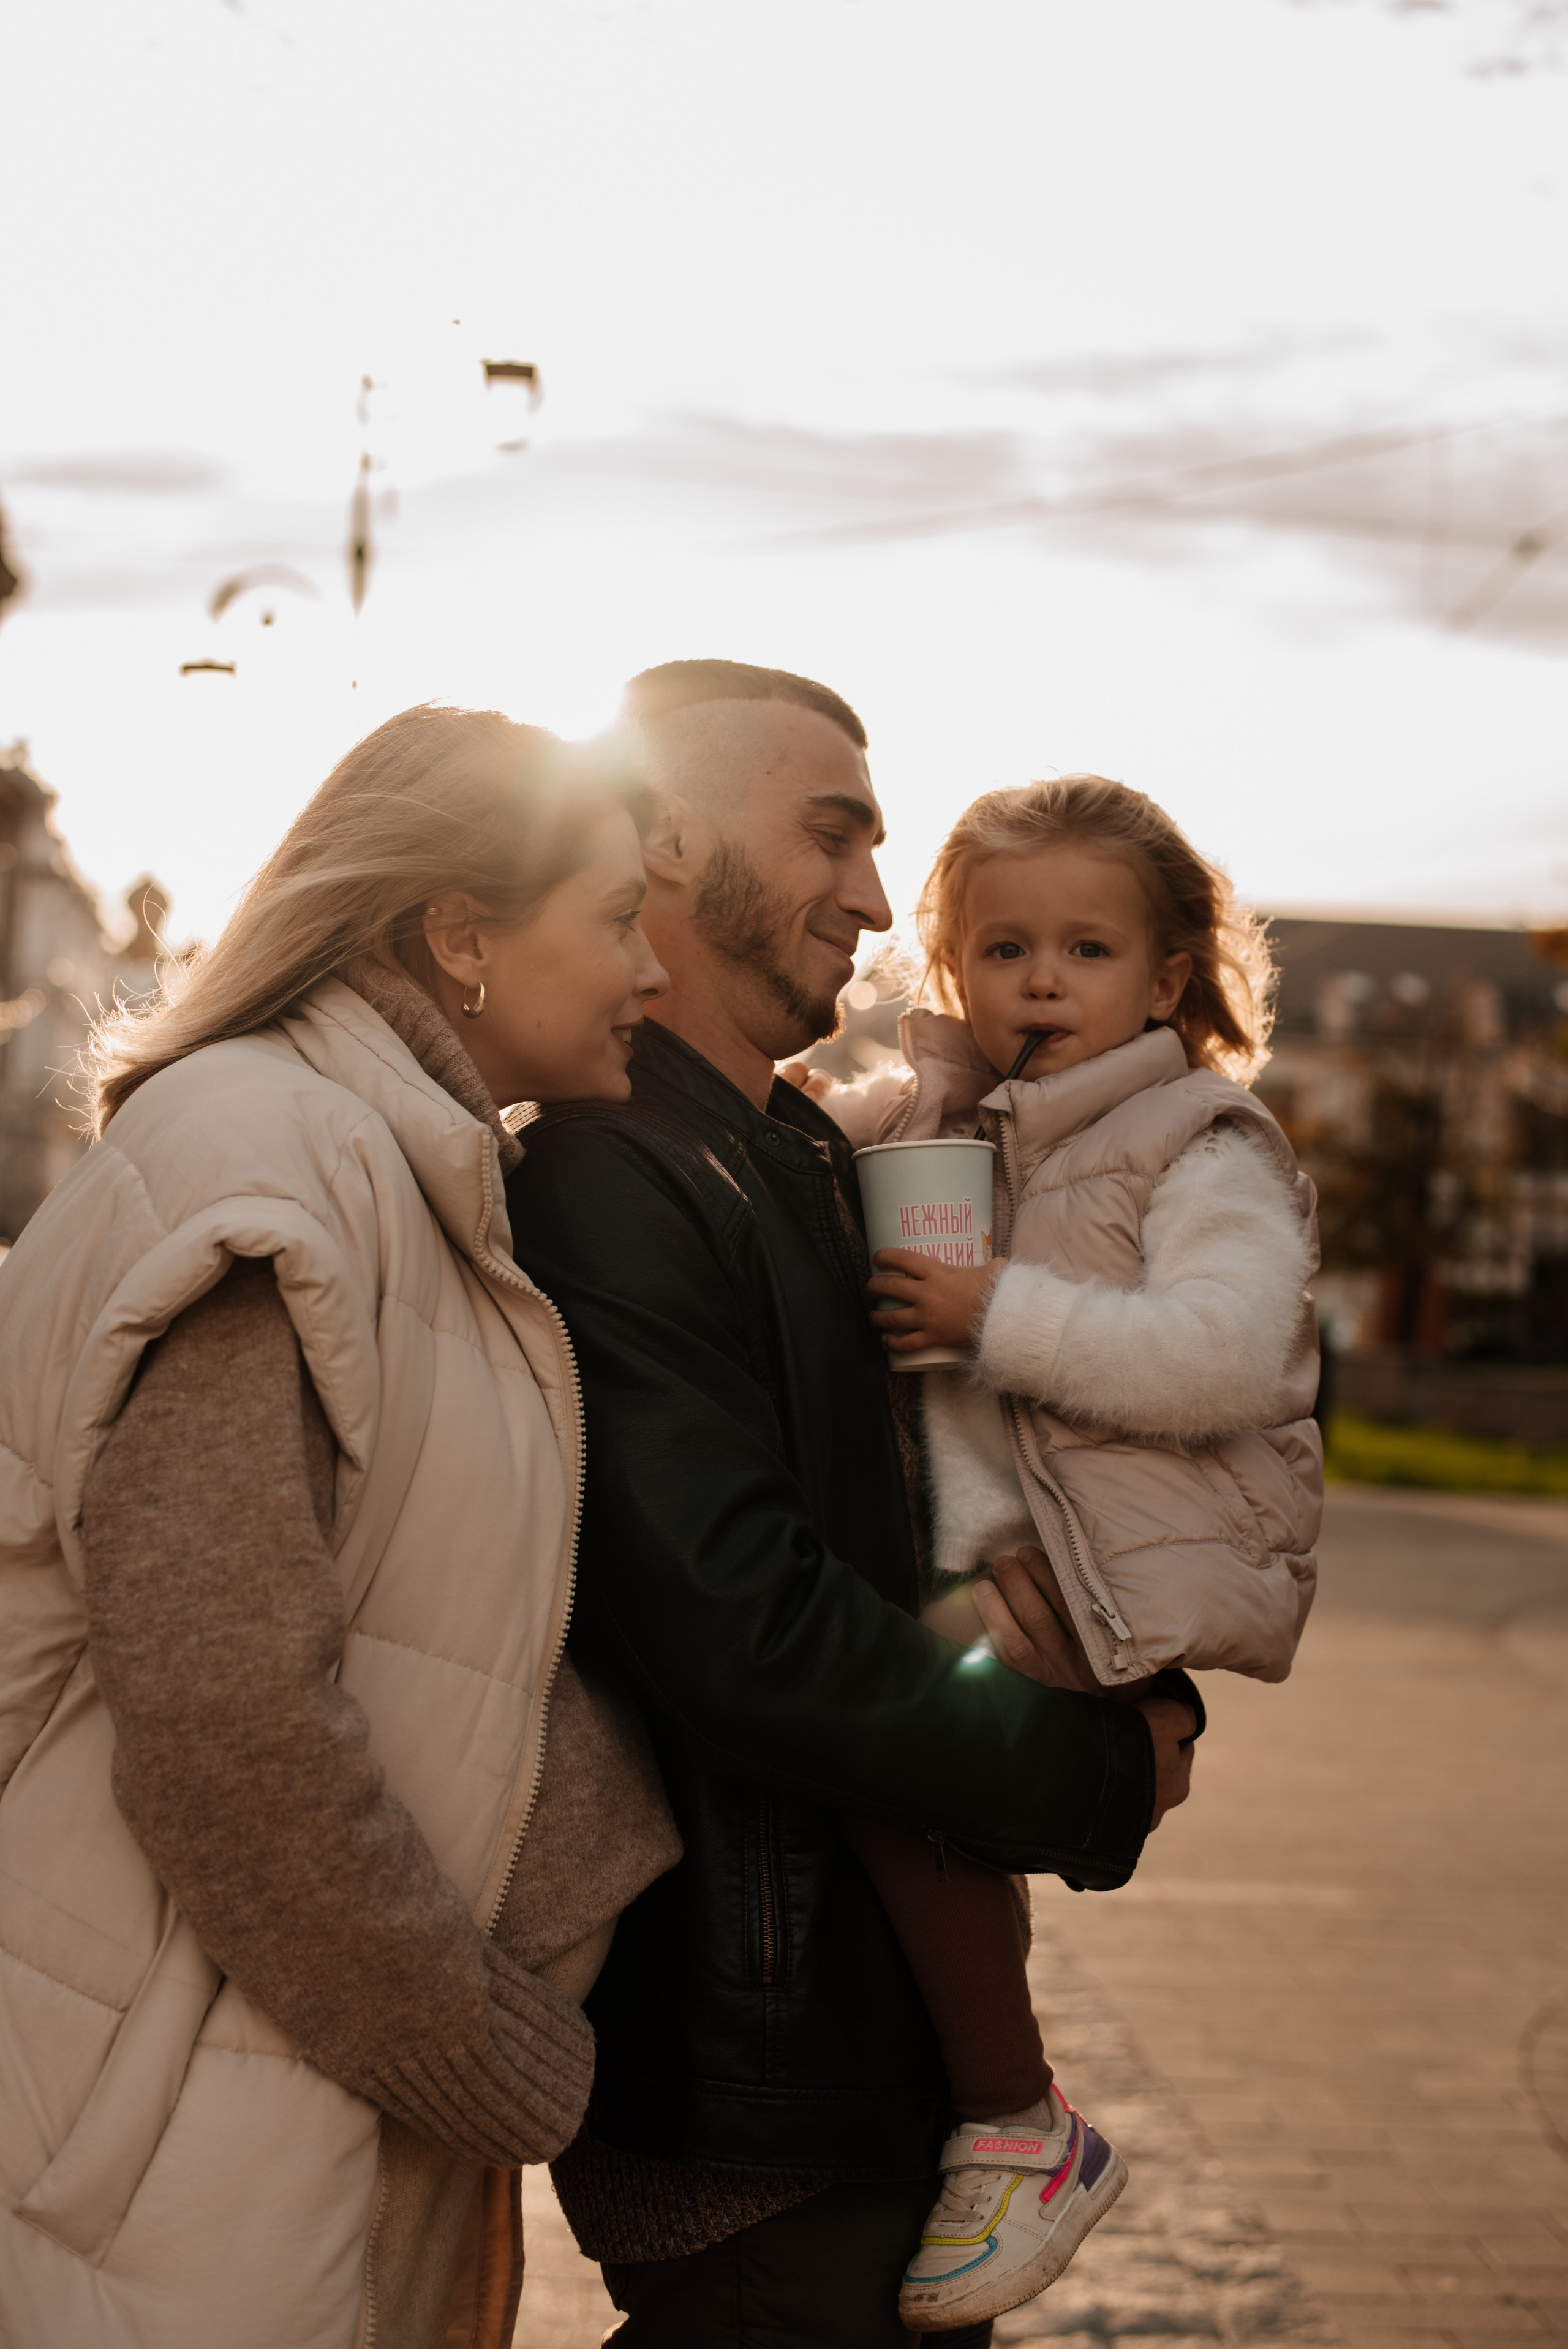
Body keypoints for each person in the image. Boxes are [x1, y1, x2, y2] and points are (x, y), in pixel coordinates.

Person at [505, 661, 1202, 2348]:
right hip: (762, 2058)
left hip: (868, 2049)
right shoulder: (612, 1171)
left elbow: (941, 1521)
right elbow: (749, 1624)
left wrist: (1137, 1653)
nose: (879, 899)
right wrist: (1091, 1767)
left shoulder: (805, 1146)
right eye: (833, 835)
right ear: (668, 835)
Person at [0, 706, 680, 2349]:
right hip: (175, 2127)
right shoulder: (274, 1160)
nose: (651, 970)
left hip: (265, 2081)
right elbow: (226, 1705)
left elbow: (442, 1634)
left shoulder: (399, 1170)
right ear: (460, 934)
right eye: (616, 918)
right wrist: (467, 2033)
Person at [812, 772, 1321, 2332]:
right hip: (977, 1551)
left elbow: (1224, 1353)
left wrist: (996, 1319)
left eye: (1086, 950)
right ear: (949, 966)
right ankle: (989, 2103)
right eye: (1002, 946)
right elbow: (759, 1153)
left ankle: (1020, 2118)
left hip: (1099, 1573)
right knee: (913, 1789)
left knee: (889, 1756)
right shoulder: (918, 1116)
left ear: (1165, 977)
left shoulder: (1199, 1141)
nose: (1040, 981)